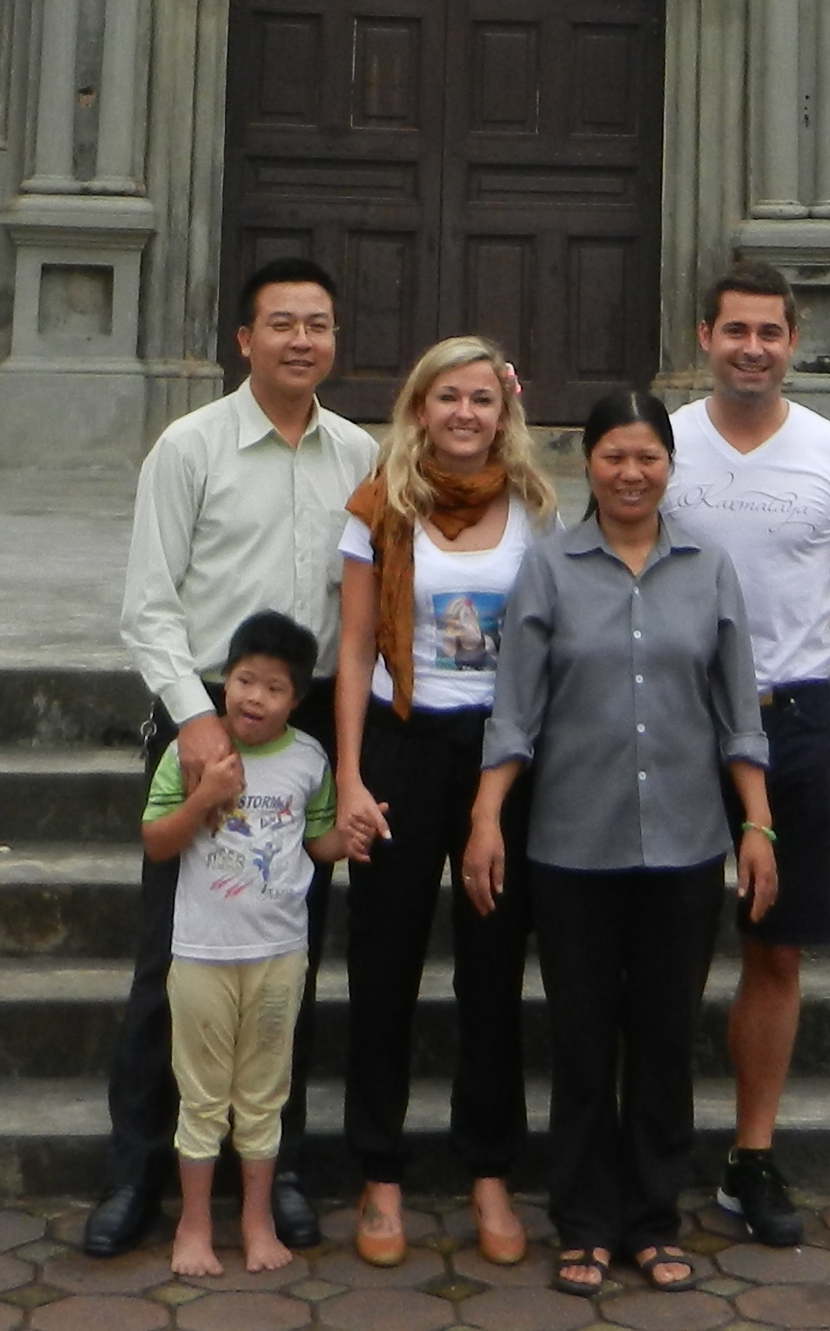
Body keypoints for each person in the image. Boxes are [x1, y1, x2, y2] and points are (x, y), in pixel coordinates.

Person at [91, 256, 378, 1261]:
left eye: (319, 323)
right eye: (282, 323)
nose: (303, 340)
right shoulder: (191, 447)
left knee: (280, 961)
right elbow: (147, 604)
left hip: (303, 732)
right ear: (243, 340)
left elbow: (367, 610)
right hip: (205, 719)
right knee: (171, 960)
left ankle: (277, 1169)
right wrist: (191, 720)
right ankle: (136, 1173)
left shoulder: (358, 457)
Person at [466, 387, 776, 1299]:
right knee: (582, 1037)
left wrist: (756, 825)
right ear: (587, 464)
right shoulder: (552, 569)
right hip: (572, 845)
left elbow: (737, 712)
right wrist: (487, 817)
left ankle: (652, 1218)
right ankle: (584, 1221)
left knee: (666, 1038)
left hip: (685, 844)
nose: (632, 474)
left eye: (648, 458)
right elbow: (514, 710)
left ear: (670, 467)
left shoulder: (708, 568)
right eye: (614, 457)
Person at [657, 260, 830, 1249]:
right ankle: (650, 1143)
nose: (751, 348)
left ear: (793, 343)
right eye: (734, 331)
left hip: (792, 716)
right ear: (703, 339)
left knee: (776, 942)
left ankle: (750, 1157)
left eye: (770, 332)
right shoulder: (661, 445)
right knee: (659, 942)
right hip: (671, 715)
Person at [331, 337, 555, 1268]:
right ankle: (379, 1175)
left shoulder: (535, 513)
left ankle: (489, 1171)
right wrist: (348, 774)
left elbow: (540, 658)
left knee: (492, 969)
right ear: (418, 407)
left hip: (499, 759)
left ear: (504, 414)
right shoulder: (378, 507)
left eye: (482, 400)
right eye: (447, 397)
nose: (465, 414)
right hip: (400, 742)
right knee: (383, 965)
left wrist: (495, 797)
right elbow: (350, 650)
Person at [144, 608, 363, 1280]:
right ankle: (194, 1224)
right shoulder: (195, 754)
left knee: (265, 1094)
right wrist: (203, 794)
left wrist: (348, 841)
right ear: (223, 682)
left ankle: (257, 1220)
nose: (255, 699)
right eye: (243, 681)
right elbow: (156, 842)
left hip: (278, 956)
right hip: (202, 955)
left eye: (273, 688)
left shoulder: (307, 759)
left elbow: (316, 842)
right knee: (203, 1098)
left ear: (296, 699)